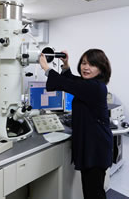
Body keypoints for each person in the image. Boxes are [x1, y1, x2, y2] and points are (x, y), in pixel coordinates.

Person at [39, 49, 113, 199]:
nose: (86, 67)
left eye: (92, 64)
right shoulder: (90, 83)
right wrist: (65, 65)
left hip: (96, 148)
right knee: (92, 190)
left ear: (101, 69)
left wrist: (46, 68)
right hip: (94, 145)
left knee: (94, 192)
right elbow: (73, 80)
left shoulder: (95, 87)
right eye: (84, 63)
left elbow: (67, 84)